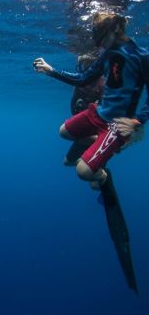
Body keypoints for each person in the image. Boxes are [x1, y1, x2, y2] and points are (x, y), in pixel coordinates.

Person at [33, 12, 149, 190]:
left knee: (84, 173)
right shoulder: (107, 55)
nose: (97, 42)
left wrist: (138, 120)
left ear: (116, 29)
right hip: (98, 112)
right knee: (64, 132)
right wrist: (51, 71)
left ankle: (102, 176)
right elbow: (82, 79)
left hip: (117, 125)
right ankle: (105, 146)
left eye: (100, 35)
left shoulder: (142, 57)